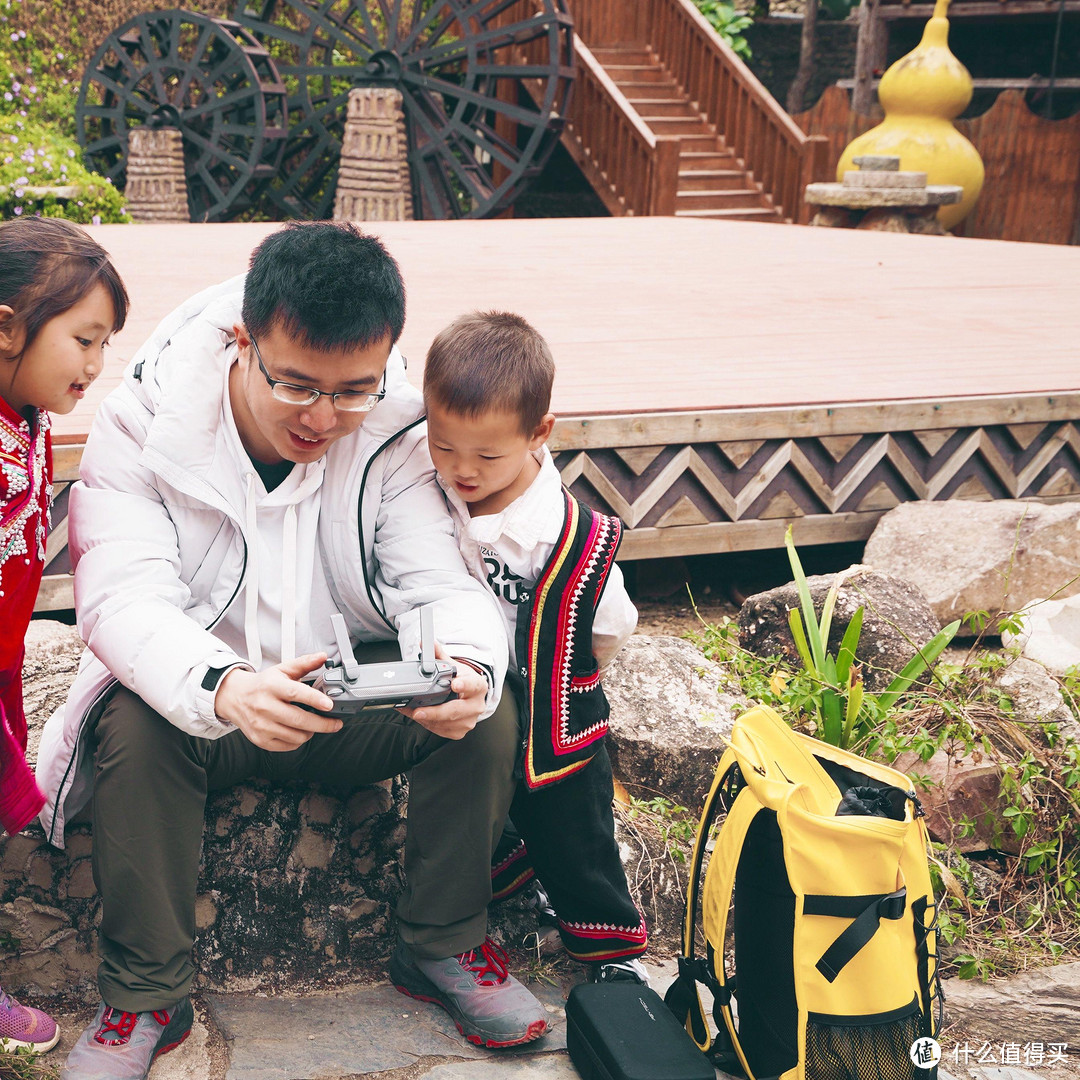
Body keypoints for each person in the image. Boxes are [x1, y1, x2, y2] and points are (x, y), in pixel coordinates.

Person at [34, 223, 549, 1080]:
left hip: (349, 702)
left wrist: (464, 664)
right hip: (210, 712)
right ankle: (145, 996)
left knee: (483, 709)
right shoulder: (143, 422)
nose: (324, 418)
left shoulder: (397, 429)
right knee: (131, 720)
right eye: (297, 386)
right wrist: (227, 685)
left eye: (354, 390)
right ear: (243, 340)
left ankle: (444, 943)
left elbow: (442, 584)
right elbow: (122, 600)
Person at [422, 311, 648, 983]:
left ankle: (606, 949)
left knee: (575, 827)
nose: (462, 470)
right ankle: (510, 876)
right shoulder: (432, 495)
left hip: (557, 705)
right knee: (485, 799)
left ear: (538, 434)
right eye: (443, 446)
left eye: (487, 456)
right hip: (478, 691)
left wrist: (569, 675)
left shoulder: (566, 532)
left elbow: (611, 625)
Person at [0, 217, 129, 1057]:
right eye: (83, 338)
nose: (94, 364)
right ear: (5, 325)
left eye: (105, 343)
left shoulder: (25, 414)